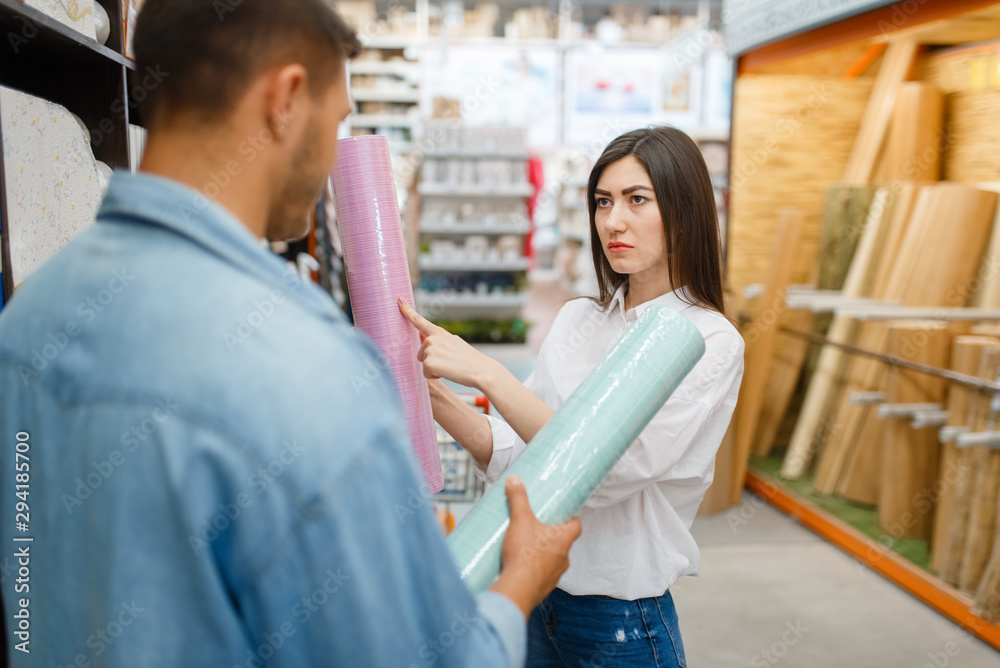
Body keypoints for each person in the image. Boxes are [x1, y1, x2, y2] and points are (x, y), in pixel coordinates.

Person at [0, 1, 580, 666]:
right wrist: (520, 583)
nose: (335, 155)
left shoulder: (28, 321)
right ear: (286, 98)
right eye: (337, 121)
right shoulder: (310, 370)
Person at [400, 126, 744, 667]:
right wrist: (430, 392)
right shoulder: (577, 319)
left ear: (685, 209)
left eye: (637, 200)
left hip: (622, 620)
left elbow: (609, 472)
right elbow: (519, 457)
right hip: (535, 597)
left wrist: (489, 374)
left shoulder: (707, 340)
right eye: (603, 202)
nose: (613, 221)